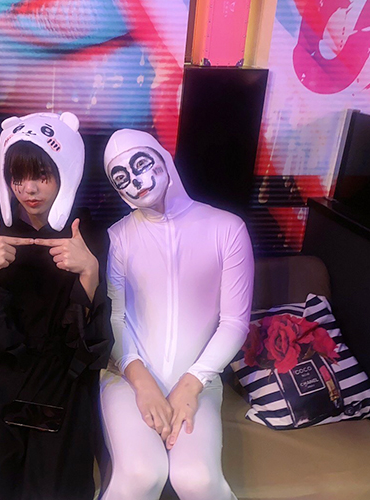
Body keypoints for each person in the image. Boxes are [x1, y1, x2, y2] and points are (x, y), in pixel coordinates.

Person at [0, 111, 113, 500]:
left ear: (65, 172)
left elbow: (88, 346)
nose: (29, 189)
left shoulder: (88, 235)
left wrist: (89, 273)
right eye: (17, 177)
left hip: (61, 386)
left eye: (42, 175)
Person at [99, 129, 254, 500]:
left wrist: (192, 383)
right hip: (126, 376)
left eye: (141, 164)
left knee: (196, 478)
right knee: (140, 474)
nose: (136, 181)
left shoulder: (227, 229)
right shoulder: (119, 237)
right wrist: (141, 382)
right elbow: (114, 318)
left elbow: (235, 322)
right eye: (121, 177)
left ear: (163, 159)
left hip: (200, 378)